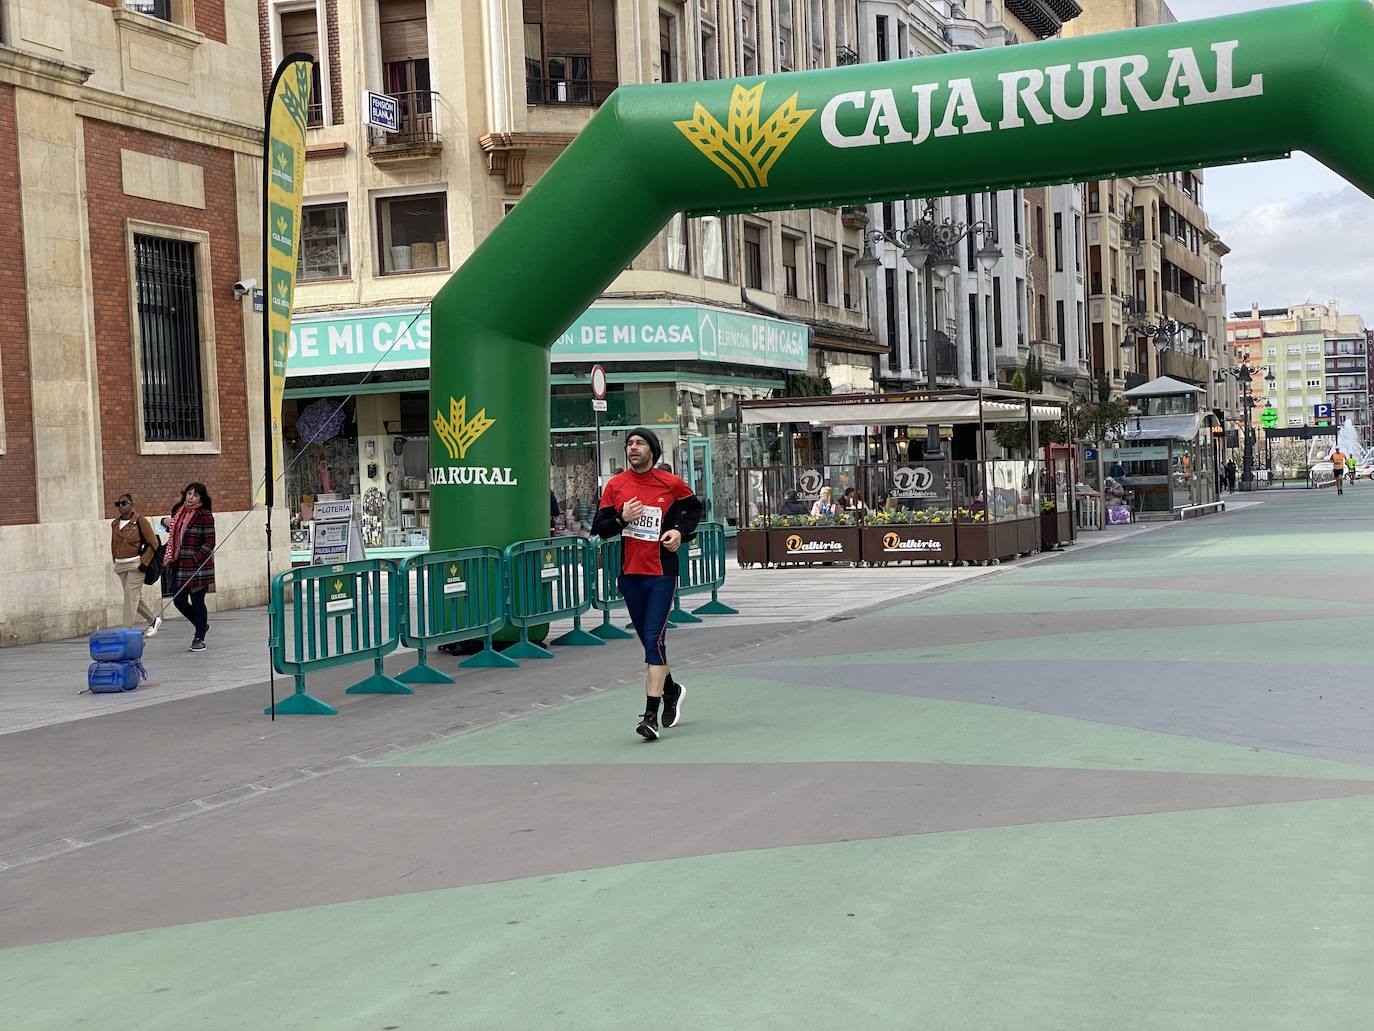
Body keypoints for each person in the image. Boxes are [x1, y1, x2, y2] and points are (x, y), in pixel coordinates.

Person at [593, 427, 703, 741]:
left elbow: (694, 509)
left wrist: (681, 532)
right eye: (629, 443)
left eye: (640, 443)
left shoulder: (670, 483)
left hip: (661, 574)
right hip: (630, 576)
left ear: (651, 450)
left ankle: (650, 717)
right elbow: (600, 528)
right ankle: (672, 690)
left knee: (654, 639)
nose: (633, 447)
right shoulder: (616, 485)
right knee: (649, 642)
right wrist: (622, 518)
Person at [162, 482, 216, 651]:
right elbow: (174, 533)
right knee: (178, 599)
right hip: (179, 563)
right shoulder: (179, 511)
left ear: (201, 498)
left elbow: (209, 542)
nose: (191, 497)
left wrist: (196, 557)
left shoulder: (205, 515)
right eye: (189, 493)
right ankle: (201, 624)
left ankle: (199, 636)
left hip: (197, 566)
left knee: (198, 601)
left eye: (196, 495)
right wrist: (165, 522)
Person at [109, 492, 162, 637]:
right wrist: (115, 559)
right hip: (121, 565)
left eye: (124, 503)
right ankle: (153, 620)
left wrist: (144, 562)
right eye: (118, 504)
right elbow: (113, 544)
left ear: (131, 505)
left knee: (130, 598)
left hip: (136, 565)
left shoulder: (140, 521)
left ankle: (125, 632)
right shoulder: (114, 523)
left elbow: (154, 543)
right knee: (134, 597)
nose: (121, 506)